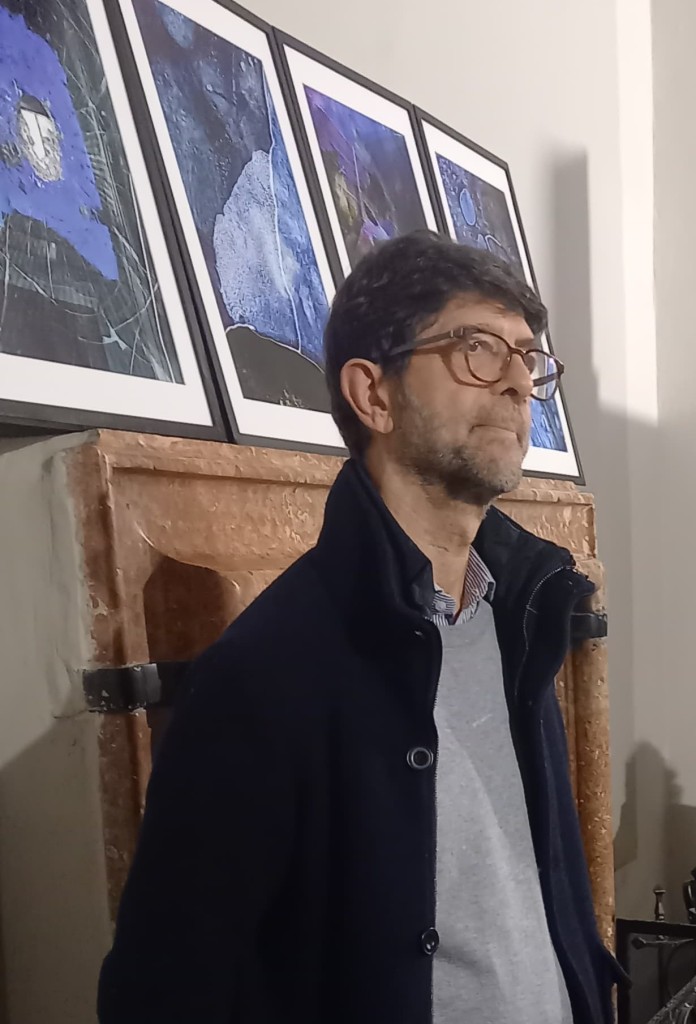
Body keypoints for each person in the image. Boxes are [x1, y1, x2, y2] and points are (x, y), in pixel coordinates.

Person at [98, 231, 623, 1024]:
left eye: (526, 357)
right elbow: (163, 988)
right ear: (373, 394)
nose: (519, 382)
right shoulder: (264, 674)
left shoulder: (524, 615)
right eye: (478, 349)